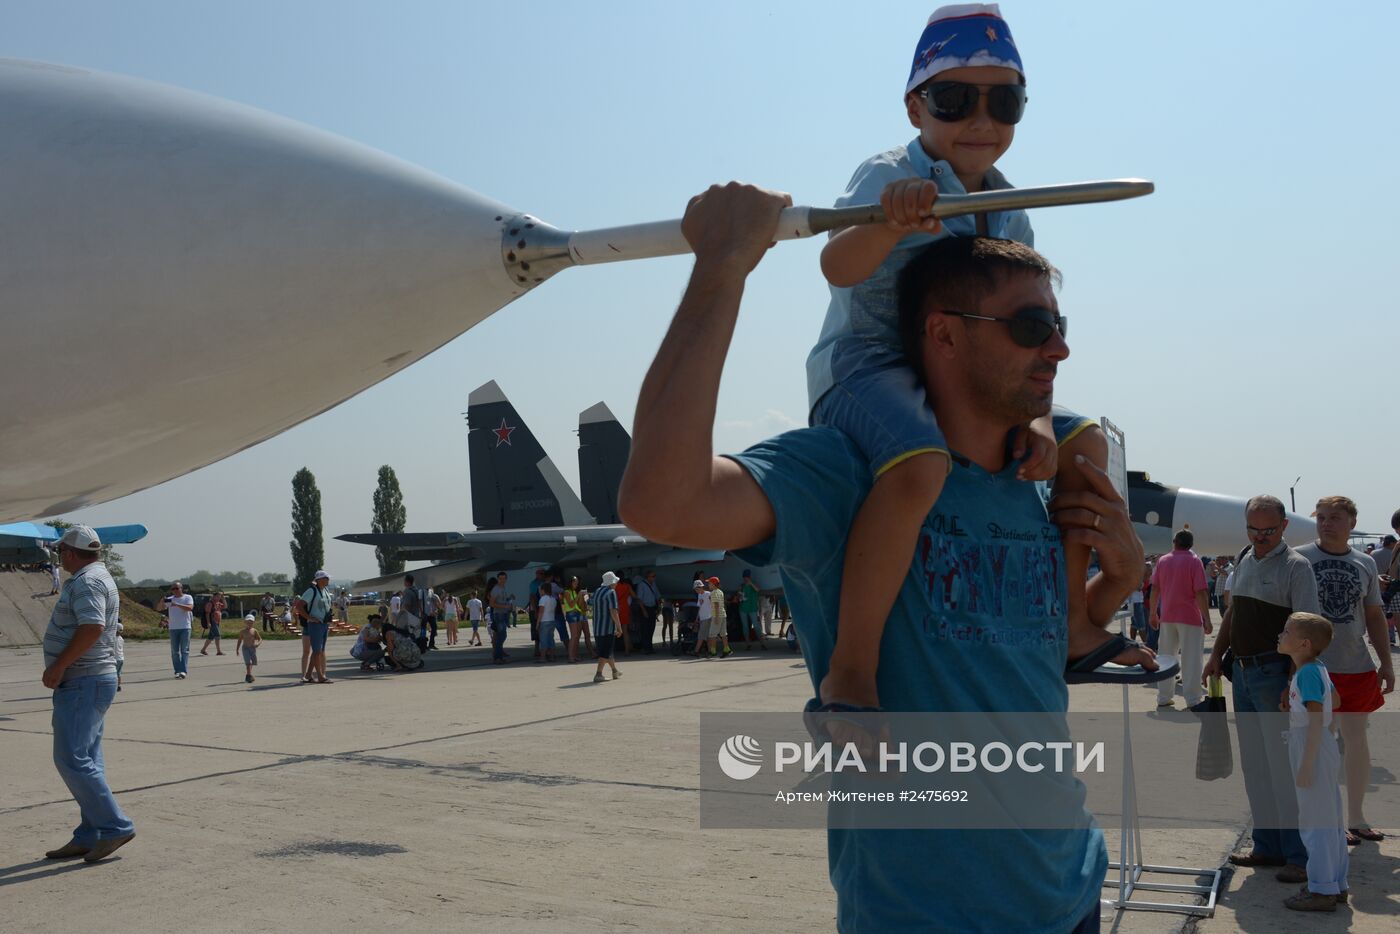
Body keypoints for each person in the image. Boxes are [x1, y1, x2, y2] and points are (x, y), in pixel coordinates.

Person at [616, 183, 1144, 932]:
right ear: (945, 335)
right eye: (1031, 326)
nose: (1058, 348)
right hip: (925, 914)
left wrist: (1111, 591)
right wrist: (722, 266)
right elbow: (659, 501)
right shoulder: (848, 473)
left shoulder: (1037, 478)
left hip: (1070, 890)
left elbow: (1020, 666)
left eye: (1058, 325)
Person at [804, 4, 1146, 713]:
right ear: (914, 107)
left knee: (1088, 443)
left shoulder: (1010, 205)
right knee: (920, 462)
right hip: (868, 367)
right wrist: (885, 219)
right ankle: (852, 667)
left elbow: (1028, 323)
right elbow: (837, 265)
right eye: (954, 99)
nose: (981, 118)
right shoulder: (889, 171)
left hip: (966, 371)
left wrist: (1045, 422)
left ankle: (1078, 621)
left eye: (1004, 100)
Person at [1203, 495, 1320, 883]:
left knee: (1283, 768)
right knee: (1256, 766)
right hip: (1243, 674)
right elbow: (1234, 612)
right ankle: (1267, 846)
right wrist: (1217, 654)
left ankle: (1298, 855)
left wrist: (1293, 681)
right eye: (1253, 529)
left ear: (1284, 527)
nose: (1260, 537)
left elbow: (1306, 633)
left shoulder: (1296, 568)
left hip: (1274, 677)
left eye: (1268, 530)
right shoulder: (1244, 558)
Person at [1296, 496, 1394, 844]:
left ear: (1351, 522)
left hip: (1356, 665)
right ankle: (1329, 818)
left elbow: (1373, 615)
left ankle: (1357, 816)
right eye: (1321, 517)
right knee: (1321, 744)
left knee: (1357, 742)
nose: (1326, 523)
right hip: (1316, 669)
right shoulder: (1301, 558)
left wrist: (1386, 661)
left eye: (1335, 517)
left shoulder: (1365, 562)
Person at [40, 525, 136, 863]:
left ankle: (114, 826)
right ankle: (90, 833)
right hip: (90, 679)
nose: (59, 557)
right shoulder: (95, 576)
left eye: (60, 551)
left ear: (68, 552)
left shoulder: (88, 581)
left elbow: (92, 627)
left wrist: (58, 666)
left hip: (83, 680)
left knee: (71, 758)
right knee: (88, 758)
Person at [1276, 613, 1349, 911]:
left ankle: (1320, 890)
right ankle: (1335, 883)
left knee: (1314, 823)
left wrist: (1307, 762)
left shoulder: (1305, 673)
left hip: (1310, 745)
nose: (1280, 636)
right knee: (1329, 819)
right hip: (1321, 745)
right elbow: (1336, 702)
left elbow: (1317, 715)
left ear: (1303, 643)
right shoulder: (1316, 669)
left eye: (1286, 632)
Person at [1150, 530, 1211, 709]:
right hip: (1190, 616)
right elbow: (1200, 592)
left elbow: (1155, 589)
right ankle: (1192, 698)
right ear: (1191, 545)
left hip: (1167, 616)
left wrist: (1153, 613)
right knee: (1191, 658)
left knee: (1166, 656)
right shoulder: (1194, 561)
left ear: (1174, 542)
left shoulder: (1163, 560)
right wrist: (1206, 618)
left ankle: (1163, 697)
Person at [295, 569, 335, 684]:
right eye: (326, 578)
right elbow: (299, 606)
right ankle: (320, 676)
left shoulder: (325, 590)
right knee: (317, 651)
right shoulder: (311, 591)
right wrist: (309, 618)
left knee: (319, 650)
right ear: (319, 580)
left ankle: (308, 675)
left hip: (324, 624)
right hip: (315, 625)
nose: (328, 580)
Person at [157, 581, 194, 679]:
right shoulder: (170, 599)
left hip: (185, 627)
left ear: (181, 588)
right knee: (174, 651)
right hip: (173, 628)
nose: (175, 590)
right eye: (173, 589)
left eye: (177, 588)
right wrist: (162, 601)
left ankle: (183, 671)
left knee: (184, 650)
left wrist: (176, 604)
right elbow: (159, 608)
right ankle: (177, 671)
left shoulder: (187, 597)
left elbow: (189, 608)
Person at [591, 571, 622, 683]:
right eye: (615, 582)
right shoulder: (611, 592)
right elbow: (613, 611)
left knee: (607, 651)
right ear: (612, 583)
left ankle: (615, 671)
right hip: (607, 628)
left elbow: (589, 602)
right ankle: (598, 674)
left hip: (597, 628)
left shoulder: (597, 591)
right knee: (605, 653)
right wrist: (619, 627)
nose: (617, 584)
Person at [737, 569, 766, 650]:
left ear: (750, 577)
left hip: (752, 608)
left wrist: (751, 583)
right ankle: (748, 644)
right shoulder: (741, 586)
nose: (746, 578)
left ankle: (762, 643)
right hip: (743, 608)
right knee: (745, 627)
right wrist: (740, 596)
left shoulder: (754, 584)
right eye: (745, 577)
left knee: (756, 626)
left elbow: (758, 589)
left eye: (747, 577)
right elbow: (738, 595)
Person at [562, 577, 589, 662]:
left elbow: (577, 604)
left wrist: (584, 597)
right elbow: (571, 604)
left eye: (577, 583)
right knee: (574, 636)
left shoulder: (573, 591)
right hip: (571, 614)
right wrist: (579, 595)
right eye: (575, 583)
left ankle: (574, 655)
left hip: (576, 613)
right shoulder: (567, 592)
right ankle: (571, 656)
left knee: (576, 636)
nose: (576, 585)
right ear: (570, 583)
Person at [488, 571, 512, 663]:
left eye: (504, 578)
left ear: (506, 579)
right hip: (498, 614)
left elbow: (502, 600)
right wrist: (505, 606)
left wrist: (509, 600)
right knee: (501, 636)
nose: (502, 580)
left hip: (504, 614)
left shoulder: (503, 588)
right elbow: (492, 603)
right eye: (500, 578)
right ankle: (497, 657)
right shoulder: (496, 589)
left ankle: (499, 656)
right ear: (498, 579)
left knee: (502, 636)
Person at [634, 570, 660, 654]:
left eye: (654, 576)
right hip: (645, 608)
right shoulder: (641, 585)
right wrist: (643, 610)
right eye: (652, 576)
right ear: (647, 577)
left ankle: (650, 647)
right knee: (645, 629)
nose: (654, 578)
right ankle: (646, 648)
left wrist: (658, 606)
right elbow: (639, 599)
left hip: (652, 608)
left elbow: (657, 595)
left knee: (651, 628)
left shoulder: (654, 584)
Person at [706, 576, 732, 657]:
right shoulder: (720, 592)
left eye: (709, 583)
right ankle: (726, 649)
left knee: (712, 634)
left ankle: (713, 651)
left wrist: (716, 618)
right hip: (723, 615)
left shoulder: (713, 593)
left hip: (717, 616)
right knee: (723, 634)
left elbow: (716, 605)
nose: (708, 585)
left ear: (713, 584)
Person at [235, 613, 262, 684]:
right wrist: (237, 649)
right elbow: (239, 640)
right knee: (248, 663)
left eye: (251, 623)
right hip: (245, 648)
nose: (249, 624)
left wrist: (258, 644)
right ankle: (249, 677)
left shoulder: (254, 630)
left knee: (252, 662)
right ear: (245, 622)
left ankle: (249, 675)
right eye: (248, 622)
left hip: (252, 648)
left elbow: (260, 639)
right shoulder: (242, 631)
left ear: (253, 623)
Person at [613, 573, 635, 655]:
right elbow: (634, 595)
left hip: (616, 609)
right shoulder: (627, 586)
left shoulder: (614, 586)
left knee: (614, 630)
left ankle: (611, 651)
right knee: (625, 631)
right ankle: (627, 650)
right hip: (625, 608)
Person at [691, 580, 714, 658]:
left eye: (697, 589)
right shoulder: (699, 595)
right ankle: (710, 651)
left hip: (708, 617)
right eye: (695, 590)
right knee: (707, 636)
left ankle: (696, 651)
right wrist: (697, 618)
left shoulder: (708, 594)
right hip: (702, 618)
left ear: (701, 587)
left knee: (701, 636)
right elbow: (700, 607)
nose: (696, 591)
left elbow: (713, 605)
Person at [199, 590, 226, 656]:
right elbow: (207, 614)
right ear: (213, 596)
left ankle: (203, 650)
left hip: (217, 622)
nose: (218, 598)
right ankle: (218, 651)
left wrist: (223, 599)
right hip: (212, 621)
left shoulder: (218, 603)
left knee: (211, 637)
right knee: (217, 635)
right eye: (217, 596)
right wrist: (208, 623)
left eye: (219, 597)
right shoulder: (210, 603)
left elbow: (225, 606)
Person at [536, 584, 559, 662]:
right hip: (552, 620)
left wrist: (537, 623)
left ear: (543, 590)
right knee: (550, 639)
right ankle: (552, 656)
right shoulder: (553, 599)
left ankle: (543, 657)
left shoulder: (542, 599)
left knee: (543, 640)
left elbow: (541, 612)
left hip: (544, 621)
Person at [114, 621, 125, 691]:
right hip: (121, 658)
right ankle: (118, 686)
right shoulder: (121, 639)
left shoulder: (113, 638)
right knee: (119, 673)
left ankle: (113, 686)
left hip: (115, 658)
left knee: (113, 673)